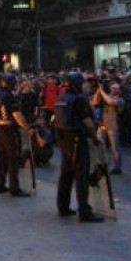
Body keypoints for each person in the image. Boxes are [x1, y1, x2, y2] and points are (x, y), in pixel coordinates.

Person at [53, 72, 104, 223]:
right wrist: (95, 138)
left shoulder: (61, 98)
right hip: (77, 139)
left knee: (66, 173)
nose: (84, 85)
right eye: (81, 83)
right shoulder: (78, 99)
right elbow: (87, 121)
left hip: (64, 139)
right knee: (81, 175)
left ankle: (63, 207)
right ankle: (84, 211)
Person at [0, 74, 30, 197]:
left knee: (2, 157)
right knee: (13, 158)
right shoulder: (9, 96)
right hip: (9, 129)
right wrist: (27, 128)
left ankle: (0, 184)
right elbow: (16, 115)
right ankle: (15, 188)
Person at [93, 83, 124, 174]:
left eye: (116, 88)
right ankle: (102, 165)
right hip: (103, 125)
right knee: (100, 147)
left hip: (114, 126)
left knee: (115, 147)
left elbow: (110, 102)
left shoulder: (121, 100)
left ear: (119, 90)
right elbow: (94, 102)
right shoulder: (105, 96)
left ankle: (117, 168)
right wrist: (98, 91)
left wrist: (101, 91)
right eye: (112, 88)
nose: (114, 89)